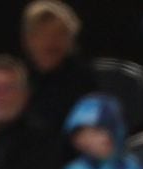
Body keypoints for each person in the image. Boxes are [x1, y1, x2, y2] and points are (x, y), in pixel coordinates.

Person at [20, 0, 96, 131]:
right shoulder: (18, 77)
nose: (51, 42)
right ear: (29, 39)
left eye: (60, 34)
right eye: (43, 34)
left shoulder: (82, 79)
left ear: (71, 41)